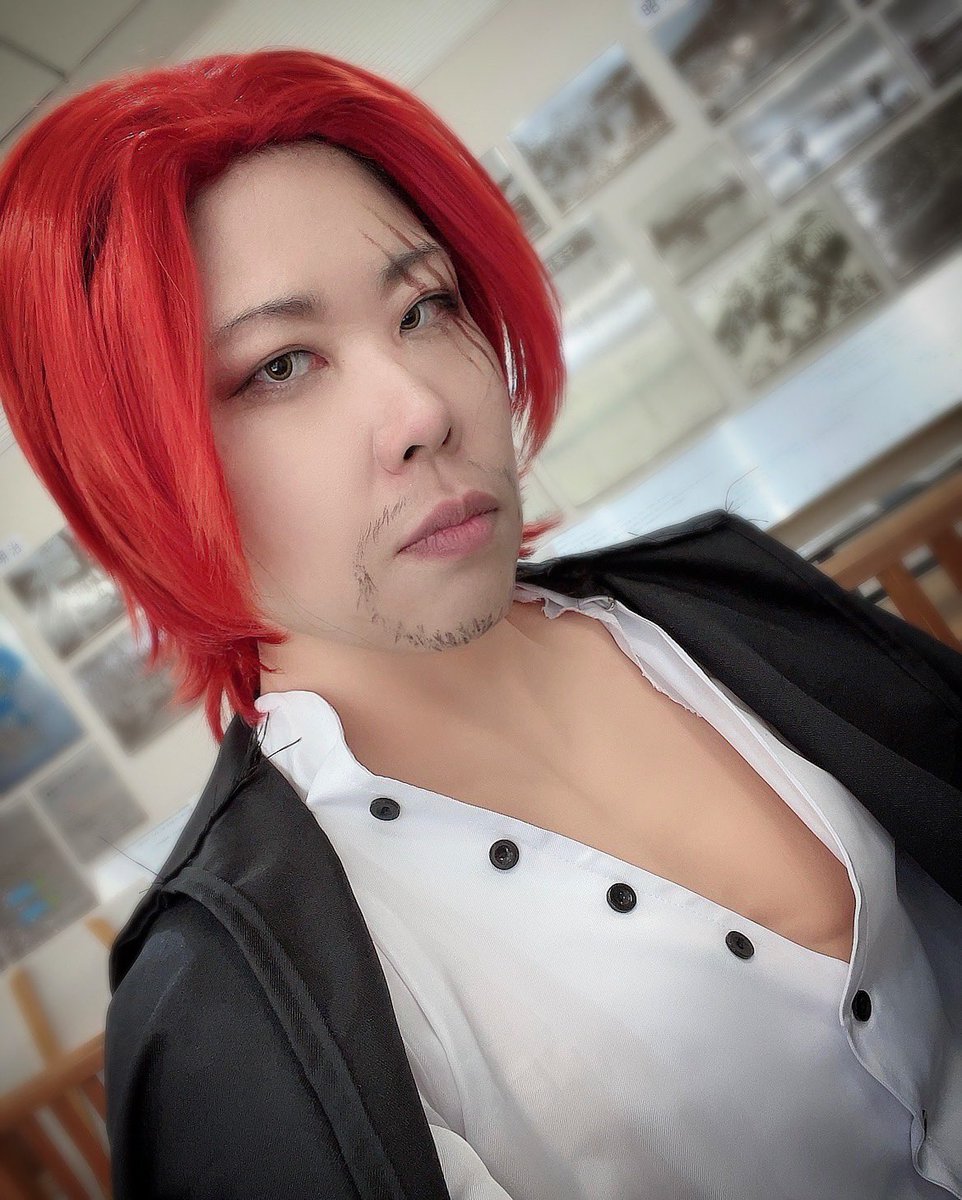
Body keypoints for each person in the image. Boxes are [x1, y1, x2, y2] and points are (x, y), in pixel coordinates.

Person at [0, 47, 960, 1200]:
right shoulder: (240, 1013)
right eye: (281, 365)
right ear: (134, 472)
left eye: (425, 306)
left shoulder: (716, 598)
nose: (420, 408)